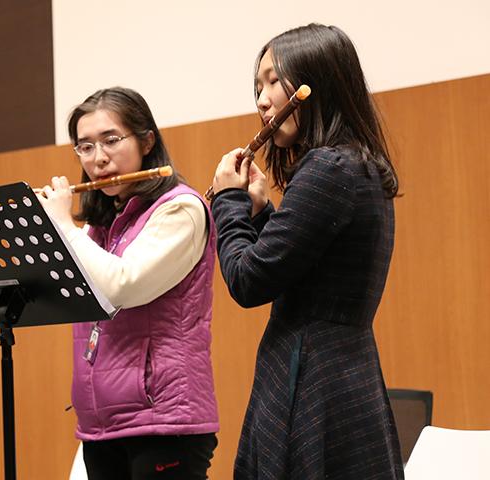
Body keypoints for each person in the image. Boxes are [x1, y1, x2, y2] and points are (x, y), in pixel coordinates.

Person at [209, 23, 403, 478]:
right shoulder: (355, 164)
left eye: (274, 80)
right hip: (340, 369)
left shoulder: (328, 167)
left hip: (313, 375)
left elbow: (248, 279)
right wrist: (257, 213)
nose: (262, 99)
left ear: (319, 80)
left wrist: (230, 201)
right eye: (258, 86)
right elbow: (299, 267)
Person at [38, 86, 219, 479]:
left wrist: (64, 226)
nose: (98, 159)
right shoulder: (101, 227)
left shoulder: (180, 209)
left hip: (164, 421)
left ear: (147, 141)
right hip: (103, 424)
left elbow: (123, 285)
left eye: (111, 141)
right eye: (85, 147)